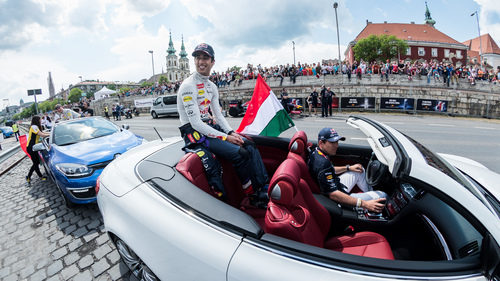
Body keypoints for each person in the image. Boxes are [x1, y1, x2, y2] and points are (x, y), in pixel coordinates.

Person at [177, 43, 268, 202]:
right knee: (240, 154)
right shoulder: (188, 86)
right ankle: (252, 194)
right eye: (198, 57)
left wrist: (231, 132)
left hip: (209, 128)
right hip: (194, 132)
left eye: (205, 57)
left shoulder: (211, 86)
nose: (201, 61)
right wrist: (226, 138)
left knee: (249, 144)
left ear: (213, 61)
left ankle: (264, 188)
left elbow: (218, 115)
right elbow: (196, 124)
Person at [308, 128, 387, 213]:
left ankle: (370, 195)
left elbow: (330, 170)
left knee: (360, 170)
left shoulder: (316, 152)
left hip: (336, 184)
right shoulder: (322, 163)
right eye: (332, 142)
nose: (336, 145)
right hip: (337, 197)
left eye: (337, 142)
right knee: (383, 195)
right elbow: (333, 194)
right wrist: (364, 203)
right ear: (321, 143)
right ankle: (371, 203)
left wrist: (348, 168)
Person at [26, 115, 50, 184]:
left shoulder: (35, 127)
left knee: (36, 163)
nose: (41, 121)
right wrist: (51, 134)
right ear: (37, 120)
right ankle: (39, 176)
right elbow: (42, 135)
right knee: (36, 163)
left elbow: (43, 133)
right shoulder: (34, 127)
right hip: (31, 148)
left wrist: (50, 133)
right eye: (40, 119)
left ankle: (29, 176)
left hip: (34, 147)